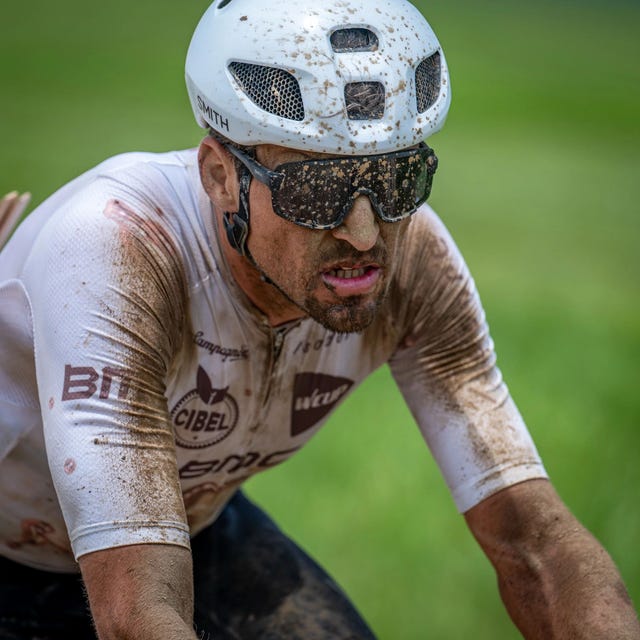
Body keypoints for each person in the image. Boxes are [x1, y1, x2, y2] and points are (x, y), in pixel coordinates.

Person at [0, 0, 638, 638]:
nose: (364, 235)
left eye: (395, 179)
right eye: (315, 190)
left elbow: (535, 546)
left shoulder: (412, 258)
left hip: (193, 533)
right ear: (221, 177)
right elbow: (137, 618)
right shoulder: (120, 247)